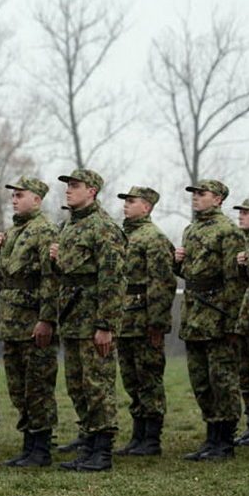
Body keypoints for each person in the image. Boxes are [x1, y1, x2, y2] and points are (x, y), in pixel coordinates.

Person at [0, 176, 59, 467]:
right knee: (18, 388)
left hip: (32, 323)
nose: (14, 199)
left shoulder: (44, 230)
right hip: (10, 324)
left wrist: (46, 319)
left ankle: (42, 447)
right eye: (12, 195)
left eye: (20, 195)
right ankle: (28, 444)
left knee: (38, 387)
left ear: (36, 199)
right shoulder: (11, 233)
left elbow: (50, 279)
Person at [49, 169, 125, 473]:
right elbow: (67, 276)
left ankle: (102, 452)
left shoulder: (103, 227)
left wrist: (105, 324)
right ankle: (88, 445)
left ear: (91, 190)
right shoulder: (70, 227)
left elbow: (113, 279)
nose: (69, 190)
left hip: (93, 320)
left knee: (98, 385)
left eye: (75, 186)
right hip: (71, 319)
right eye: (67, 186)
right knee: (78, 386)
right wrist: (55, 261)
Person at [175, 179, 245, 461]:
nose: (196, 198)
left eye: (201, 194)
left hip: (217, 317)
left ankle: (224, 441)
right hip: (193, 316)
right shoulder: (190, 230)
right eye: (194, 193)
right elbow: (191, 275)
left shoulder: (228, 231)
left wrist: (231, 323)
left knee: (222, 380)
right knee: (201, 380)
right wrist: (176, 263)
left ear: (217, 199)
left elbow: (234, 280)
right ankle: (210, 436)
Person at [114, 187, 175, 457]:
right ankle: (137, 435)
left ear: (147, 207)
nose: (125, 205)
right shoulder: (122, 235)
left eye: (131, 201)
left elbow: (162, 283)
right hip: (124, 320)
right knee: (131, 379)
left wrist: (157, 323)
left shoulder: (154, 238)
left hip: (144, 320)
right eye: (125, 201)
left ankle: (151, 438)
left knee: (149, 377)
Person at [235, 199, 249, 447]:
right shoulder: (245, 240)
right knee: (246, 373)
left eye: (246, 212)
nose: (241, 216)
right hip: (247, 313)